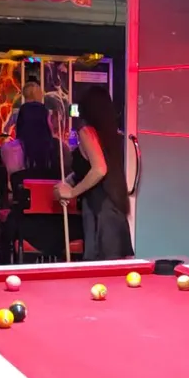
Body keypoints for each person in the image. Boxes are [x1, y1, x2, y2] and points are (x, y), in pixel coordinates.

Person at [56, 87, 132, 260]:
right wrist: (68, 183)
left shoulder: (86, 131)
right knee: (113, 269)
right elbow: (88, 169)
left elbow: (99, 169)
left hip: (99, 211)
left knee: (98, 266)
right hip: (114, 209)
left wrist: (72, 193)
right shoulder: (111, 135)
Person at [0, 102, 70, 263]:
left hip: (24, 223)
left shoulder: (9, 149)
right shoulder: (61, 149)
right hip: (60, 223)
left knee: (6, 225)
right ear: (46, 122)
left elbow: (12, 184)